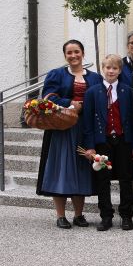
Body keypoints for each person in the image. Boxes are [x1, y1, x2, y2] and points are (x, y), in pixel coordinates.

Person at [36, 40, 103, 229]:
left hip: (84, 128)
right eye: (69, 53)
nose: (73, 56)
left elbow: (99, 99)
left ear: (83, 53)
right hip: (61, 128)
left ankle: (79, 215)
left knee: (81, 168)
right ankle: (60, 215)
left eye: (77, 52)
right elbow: (49, 97)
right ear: (65, 55)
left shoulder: (95, 78)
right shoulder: (56, 74)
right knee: (61, 169)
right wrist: (71, 103)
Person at [82, 54, 133, 231]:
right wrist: (90, 146)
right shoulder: (92, 92)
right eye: (108, 68)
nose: (111, 71)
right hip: (102, 142)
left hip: (123, 141)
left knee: (125, 178)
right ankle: (106, 216)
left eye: (115, 68)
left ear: (120, 70)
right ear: (102, 69)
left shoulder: (127, 91)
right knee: (103, 179)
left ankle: (126, 215)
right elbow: (88, 121)